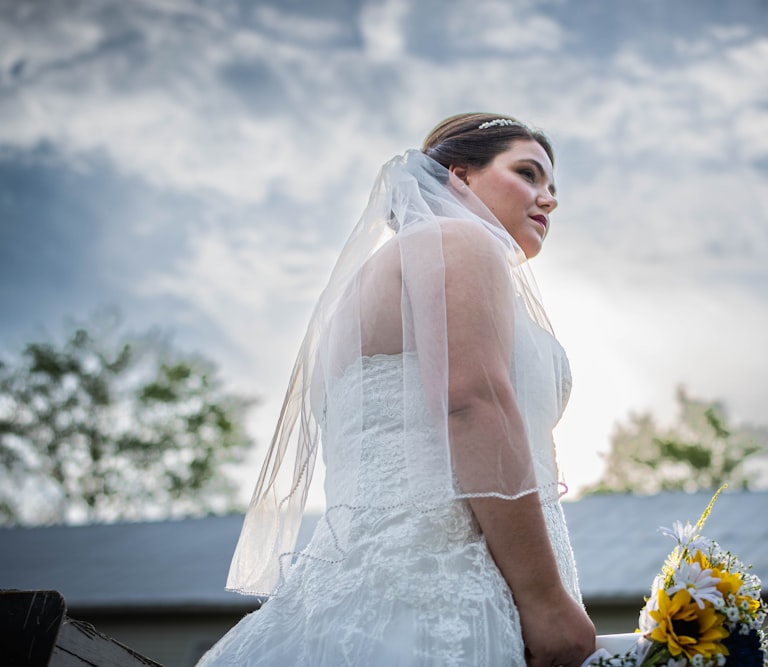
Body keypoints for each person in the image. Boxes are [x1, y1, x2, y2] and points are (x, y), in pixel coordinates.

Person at [197, 113, 596, 667]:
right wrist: (546, 602)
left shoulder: (367, 289)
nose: (548, 199)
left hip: (358, 590)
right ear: (460, 176)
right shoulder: (458, 239)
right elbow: (471, 402)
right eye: (528, 174)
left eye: (552, 187)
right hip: (445, 591)